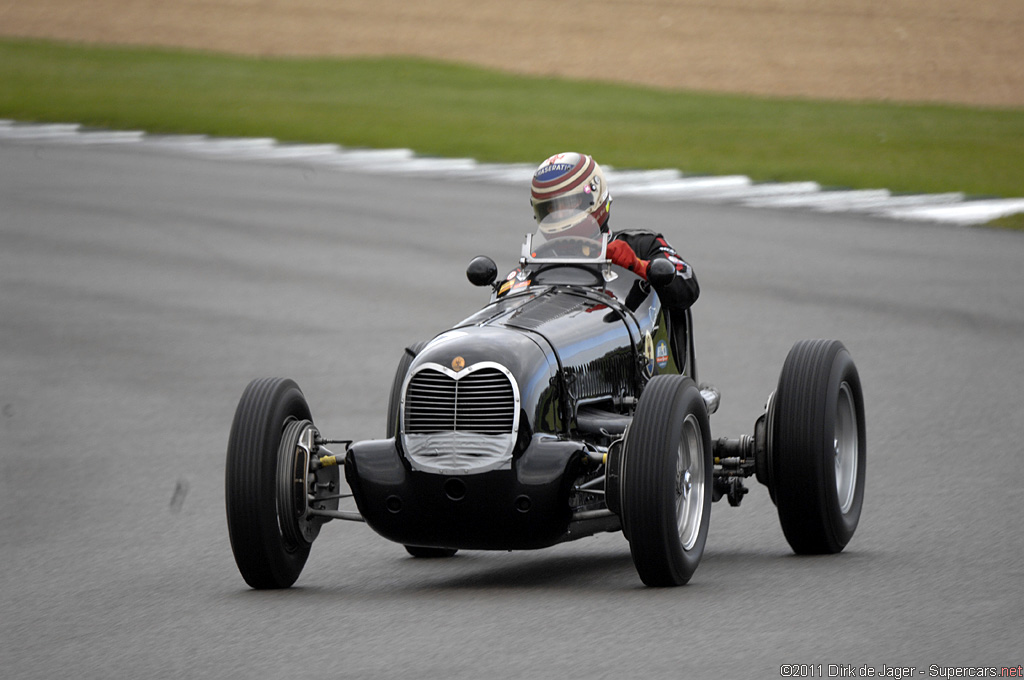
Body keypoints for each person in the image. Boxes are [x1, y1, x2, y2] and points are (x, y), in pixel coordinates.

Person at [528, 152, 699, 312]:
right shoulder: (540, 264)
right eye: (551, 209)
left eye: (568, 204)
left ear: (594, 197)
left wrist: (640, 267)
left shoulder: (644, 245)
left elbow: (688, 285)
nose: (560, 215)